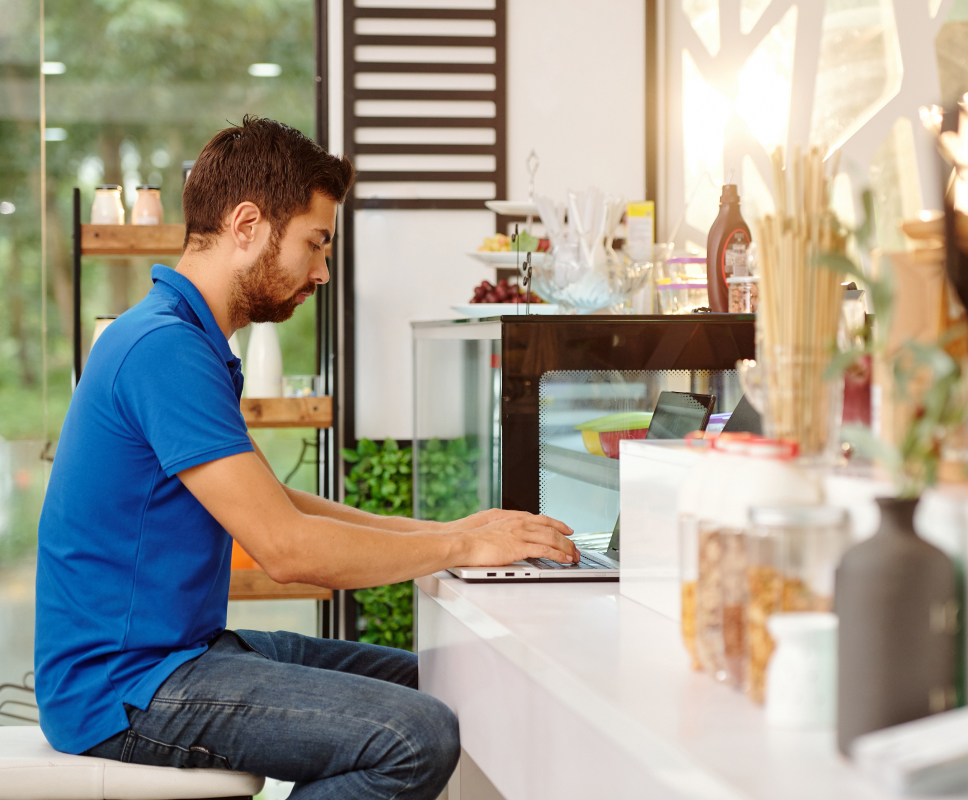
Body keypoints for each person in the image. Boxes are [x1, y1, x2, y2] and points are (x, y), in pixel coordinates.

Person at [34, 116, 579, 800]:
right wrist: (462, 550)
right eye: (315, 244)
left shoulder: (184, 339)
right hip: (122, 689)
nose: (321, 271)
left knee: (437, 679)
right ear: (247, 224)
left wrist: (455, 532)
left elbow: (277, 502)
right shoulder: (163, 349)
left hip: (175, 657)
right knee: (417, 735)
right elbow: (286, 548)